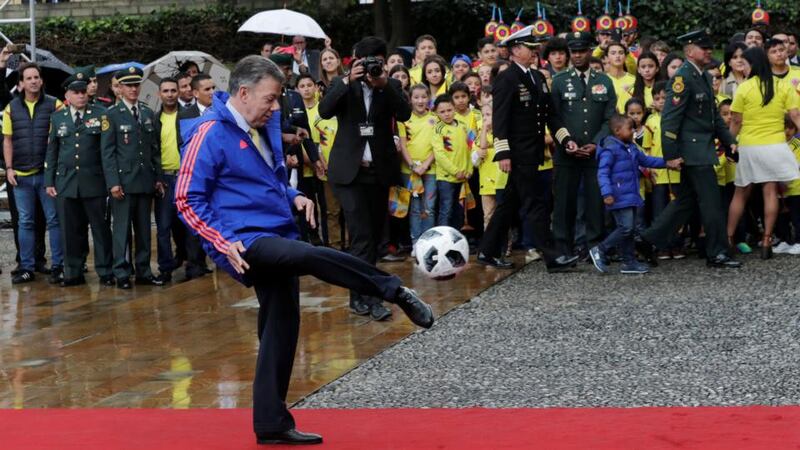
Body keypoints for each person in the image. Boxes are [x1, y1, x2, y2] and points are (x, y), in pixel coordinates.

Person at [175, 55, 433, 445]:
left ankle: (271, 422)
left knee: (281, 326)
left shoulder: (260, 125)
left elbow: (269, 178)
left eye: (278, 99)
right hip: (245, 241)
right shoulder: (209, 131)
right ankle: (393, 290)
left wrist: (294, 194)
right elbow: (186, 198)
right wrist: (222, 241)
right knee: (310, 256)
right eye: (271, 98)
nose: (276, 107)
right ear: (243, 93)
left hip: (275, 229)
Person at [318, 36, 412, 321]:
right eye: (364, 62)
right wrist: (347, 80)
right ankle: (366, 298)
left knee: (373, 236)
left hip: (378, 170)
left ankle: (363, 295)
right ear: (354, 60)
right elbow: (324, 111)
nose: (370, 67)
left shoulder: (390, 86)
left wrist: (384, 84)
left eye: (377, 62)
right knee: (361, 236)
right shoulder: (342, 84)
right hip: (349, 172)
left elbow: (405, 113)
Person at [476, 26, 580, 272]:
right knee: (535, 204)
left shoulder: (537, 77)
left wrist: (565, 139)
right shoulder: (506, 78)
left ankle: (486, 251)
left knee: (509, 204)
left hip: (533, 152)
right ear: (514, 50)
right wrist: (503, 152)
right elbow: (500, 119)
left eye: (534, 48)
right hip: (518, 153)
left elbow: (550, 115)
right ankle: (553, 257)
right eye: (528, 47)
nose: (534, 51)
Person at [639, 30, 740, 268]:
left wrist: (729, 141)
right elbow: (670, 120)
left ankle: (647, 240)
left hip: (700, 149)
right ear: (690, 51)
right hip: (693, 152)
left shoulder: (703, 76)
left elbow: (713, 116)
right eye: (703, 48)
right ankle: (716, 253)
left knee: (686, 201)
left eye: (708, 48)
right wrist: (671, 155)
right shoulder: (682, 78)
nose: (708, 51)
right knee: (711, 202)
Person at [726, 47, 800, 260]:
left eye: (745, 64)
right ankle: (767, 240)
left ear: (753, 65)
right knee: (770, 191)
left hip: (750, 146)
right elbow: (795, 114)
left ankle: (729, 238)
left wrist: (731, 142)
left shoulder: (744, 87)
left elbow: (736, 120)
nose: (743, 68)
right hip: (776, 146)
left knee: (741, 193)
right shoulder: (783, 85)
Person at [550, 31, 618, 261]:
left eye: (581, 51)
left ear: (590, 51)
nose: (577, 56)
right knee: (564, 204)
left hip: (594, 152)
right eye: (573, 51)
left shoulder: (604, 81)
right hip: (566, 152)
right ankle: (563, 250)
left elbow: (610, 118)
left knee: (595, 203)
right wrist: (567, 141)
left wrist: (595, 144)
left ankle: (594, 248)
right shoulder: (559, 81)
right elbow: (554, 117)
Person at [44, 73, 114, 286]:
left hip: (94, 182)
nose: (81, 96)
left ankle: (105, 271)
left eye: (84, 92)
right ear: (67, 95)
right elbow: (52, 151)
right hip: (67, 183)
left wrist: (110, 182)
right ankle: (73, 271)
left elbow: (106, 152)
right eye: (76, 92)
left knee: (100, 229)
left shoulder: (101, 114)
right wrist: (49, 181)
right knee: (70, 231)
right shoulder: (58, 118)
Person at [101, 66, 166, 288]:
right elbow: (108, 153)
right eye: (129, 85)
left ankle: (144, 271)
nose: (133, 89)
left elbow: (154, 149)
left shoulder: (147, 113)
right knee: (121, 230)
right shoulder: (111, 115)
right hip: (123, 182)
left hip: (145, 180)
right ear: (119, 88)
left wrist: (157, 177)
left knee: (144, 230)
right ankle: (121, 272)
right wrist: (113, 183)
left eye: (136, 85)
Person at [590, 114, 678, 274]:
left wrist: (668, 163)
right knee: (626, 228)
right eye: (629, 128)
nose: (633, 132)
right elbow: (602, 173)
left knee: (628, 230)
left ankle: (629, 262)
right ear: (617, 131)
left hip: (630, 195)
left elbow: (647, 160)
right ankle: (600, 250)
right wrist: (607, 193)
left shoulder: (631, 147)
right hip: (617, 195)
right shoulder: (610, 148)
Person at [3, 62, 64, 284]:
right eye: (28, 78)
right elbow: (7, 140)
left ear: (41, 81)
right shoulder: (11, 108)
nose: (33, 81)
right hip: (20, 176)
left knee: (54, 220)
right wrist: (9, 168)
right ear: (20, 84)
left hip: (47, 176)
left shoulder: (55, 105)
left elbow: (61, 137)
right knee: (25, 222)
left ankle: (59, 266)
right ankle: (27, 267)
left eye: (36, 77)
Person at [642, 81, 684, 259]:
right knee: (660, 211)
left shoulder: (678, 119)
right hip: (658, 175)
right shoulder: (650, 122)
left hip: (677, 173)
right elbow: (646, 149)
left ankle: (677, 244)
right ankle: (662, 246)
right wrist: (649, 169)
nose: (660, 101)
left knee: (677, 210)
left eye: (664, 98)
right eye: (657, 98)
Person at [153, 77, 188, 282]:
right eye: (165, 91)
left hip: (185, 176)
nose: (169, 94)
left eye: (173, 90)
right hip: (164, 179)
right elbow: (151, 151)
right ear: (159, 94)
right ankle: (165, 268)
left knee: (188, 224)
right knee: (163, 226)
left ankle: (193, 261)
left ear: (179, 92)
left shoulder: (187, 117)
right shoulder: (154, 119)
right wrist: (156, 177)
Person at [398, 84, 436, 248]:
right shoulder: (404, 120)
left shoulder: (435, 118)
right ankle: (416, 242)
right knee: (414, 208)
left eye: (423, 97)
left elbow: (437, 146)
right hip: (409, 171)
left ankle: (429, 241)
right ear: (411, 99)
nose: (420, 101)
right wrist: (413, 166)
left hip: (431, 170)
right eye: (416, 97)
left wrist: (426, 164)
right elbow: (403, 146)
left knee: (430, 207)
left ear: (429, 98)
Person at [431, 95, 472, 228]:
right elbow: (440, 155)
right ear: (436, 113)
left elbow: (469, 149)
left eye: (449, 110)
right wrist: (455, 171)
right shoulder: (438, 129)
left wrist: (469, 169)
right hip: (447, 178)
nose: (447, 114)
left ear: (454, 109)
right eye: (442, 112)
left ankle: (456, 238)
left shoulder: (463, 126)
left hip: (463, 177)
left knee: (459, 209)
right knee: (446, 209)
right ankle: (443, 240)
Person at [606, 41, 636, 113]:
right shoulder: (602, 80)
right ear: (607, 57)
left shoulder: (634, 80)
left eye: (621, 53)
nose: (617, 56)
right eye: (613, 53)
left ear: (625, 56)